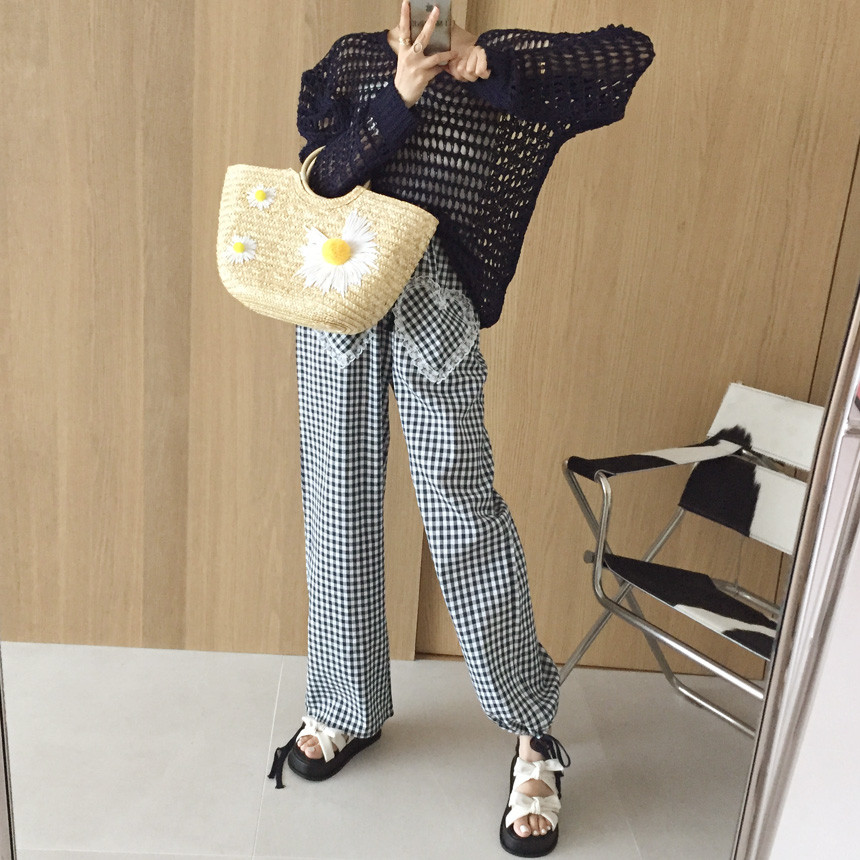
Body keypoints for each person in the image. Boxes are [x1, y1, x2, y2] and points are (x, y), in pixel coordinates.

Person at [267, 2, 654, 855]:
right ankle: (345, 704)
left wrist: (491, 63)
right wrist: (399, 94)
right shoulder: (351, 61)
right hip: (336, 300)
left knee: (461, 512)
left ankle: (533, 733)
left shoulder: (501, 62)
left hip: (433, 307)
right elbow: (322, 184)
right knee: (335, 503)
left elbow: (627, 55)